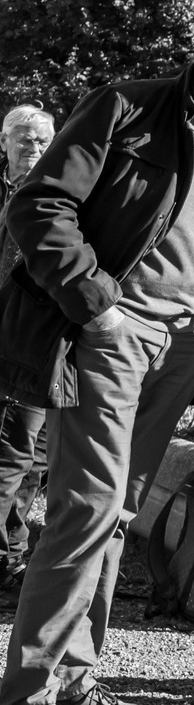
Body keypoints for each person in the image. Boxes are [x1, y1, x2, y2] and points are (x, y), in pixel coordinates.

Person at [0, 11, 194, 705]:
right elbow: (38, 206)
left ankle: (75, 681)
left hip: (180, 349)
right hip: (108, 340)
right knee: (84, 511)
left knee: (119, 514)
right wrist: (99, 305)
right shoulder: (125, 108)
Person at [0, 105, 55, 596]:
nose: (34, 150)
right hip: (9, 345)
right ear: (5, 144)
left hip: (41, 349)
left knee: (32, 464)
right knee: (9, 458)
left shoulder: (57, 197)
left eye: (42, 142)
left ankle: (12, 557)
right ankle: (8, 561)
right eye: (25, 141)